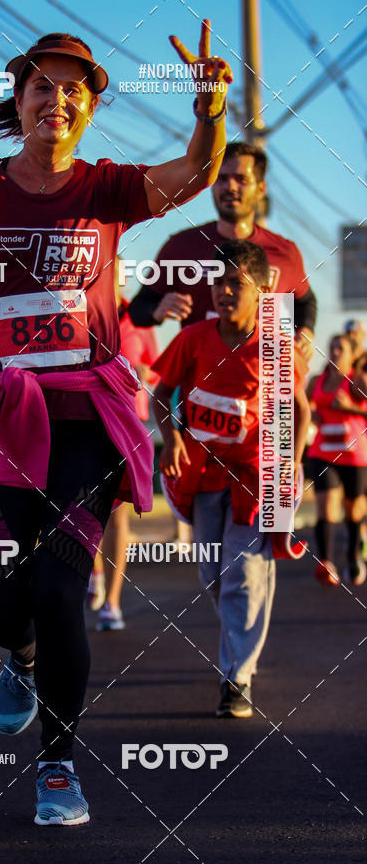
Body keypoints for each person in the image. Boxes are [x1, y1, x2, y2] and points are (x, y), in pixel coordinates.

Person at [0, 3, 232, 825]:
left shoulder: (107, 187)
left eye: (72, 91)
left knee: (65, 590)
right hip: (1, 426)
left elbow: (194, 173)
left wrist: (209, 111)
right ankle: (19, 658)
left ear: (88, 109)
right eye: (40, 87)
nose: (55, 101)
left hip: (86, 425)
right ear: (19, 99)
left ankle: (57, 769)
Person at [152, 240, 311, 718]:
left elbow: (300, 412)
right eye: (217, 282)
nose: (223, 291)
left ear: (264, 291)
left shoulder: (276, 346)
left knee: (242, 573)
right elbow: (163, 394)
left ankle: (236, 676)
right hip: (203, 475)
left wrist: (290, 462)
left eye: (235, 284)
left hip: (253, 478)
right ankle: (242, 638)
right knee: (213, 574)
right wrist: (174, 439)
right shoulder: (194, 338)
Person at [128, 142, 317, 362]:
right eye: (222, 178)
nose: (230, 187)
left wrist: (306, 331)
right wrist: (157, 310)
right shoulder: (182, 247)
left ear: (260, 189)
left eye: (241, 180)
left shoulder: (285, 252)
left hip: (262, 384)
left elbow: (305, 302)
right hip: (200, 385)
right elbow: (137, 310)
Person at [89, 267, 160, 630]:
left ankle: (112, 603)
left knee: (118, 515)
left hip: (128, 424)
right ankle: (94, 569)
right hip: (87, 420)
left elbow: (159, 372)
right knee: (81, 509)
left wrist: (145, 373)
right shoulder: (78, 311)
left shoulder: (140, 320)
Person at [306, 334, 367, 587]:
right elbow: (302, 405)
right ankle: (327, 563)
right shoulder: (317, 381)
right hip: (322, 453)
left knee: (353, 511)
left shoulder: (356, 381)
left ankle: (353, 555)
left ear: (353, 355)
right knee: (326, 504)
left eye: (341, 348)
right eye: (332, 347)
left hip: (354, 455)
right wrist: (310, 413)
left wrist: (349, 408)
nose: (335, 351)